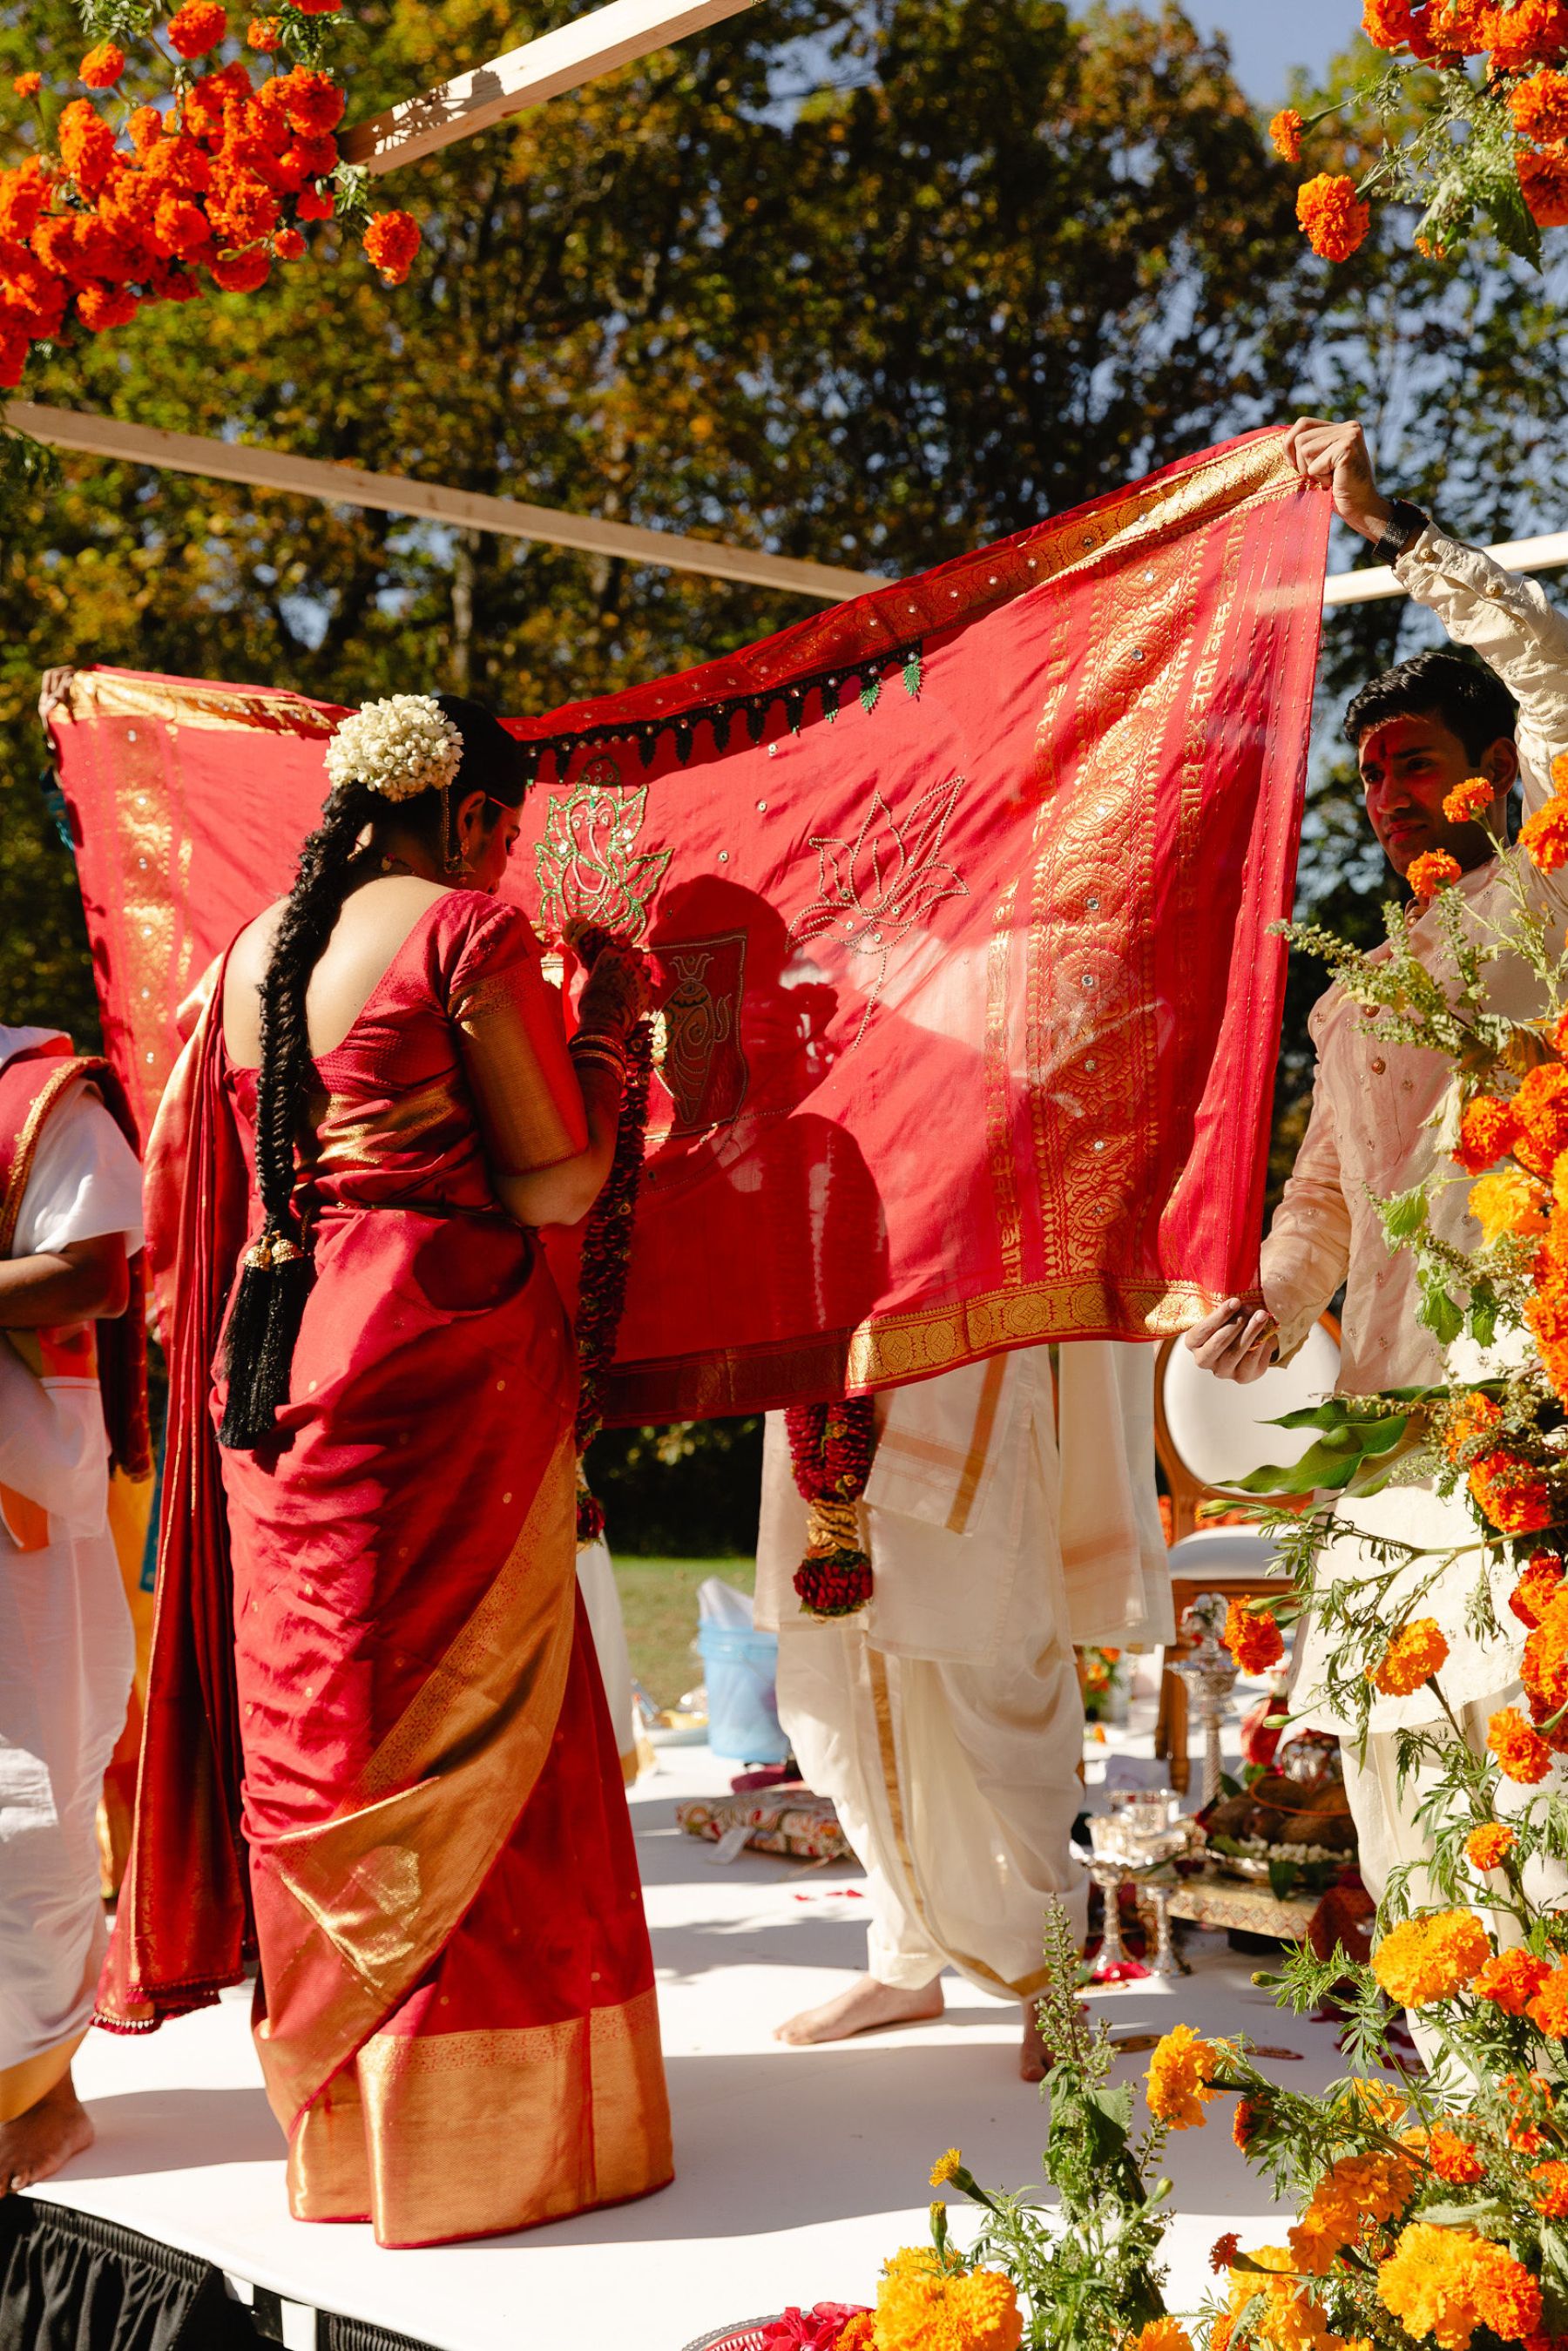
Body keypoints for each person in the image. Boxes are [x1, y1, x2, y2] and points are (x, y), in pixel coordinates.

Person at [99, 692, 672, 2247]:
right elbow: (553, 1169)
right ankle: (487, 2143)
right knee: (483, 1718)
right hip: (431, 1359)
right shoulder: (470, 934)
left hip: (275, 1371)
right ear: (478, 816)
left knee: (325, 1725)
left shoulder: (241, 958)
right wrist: (610, 1030)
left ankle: (344, 2136)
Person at [1185, 415, 1568, 1932]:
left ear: (1496, 772)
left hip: (1529, 1379)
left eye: (1413, 758)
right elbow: (1324, 1196)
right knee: (1403, 1754)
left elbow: (1551, 671)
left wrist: (1397, 532)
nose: (1383, 789)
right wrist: (1274, 1304)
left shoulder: (1545, 900)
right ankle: (1467, 2086)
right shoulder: (1354, 983)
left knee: (1530, 1756)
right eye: (1366, 770)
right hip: (1391, 1405)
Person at [756, 1341, 1171, 2080]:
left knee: (1003, 1693)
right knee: (845, 1687)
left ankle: (1052, 1981)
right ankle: (903, 1962)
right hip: (829, 1355)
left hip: (970, 1356)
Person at [0, 1011, 147, 2198]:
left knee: (21, 1801)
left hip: (17, 1509)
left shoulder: (42, 1098)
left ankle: (38, 2094)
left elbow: (93, 1272)